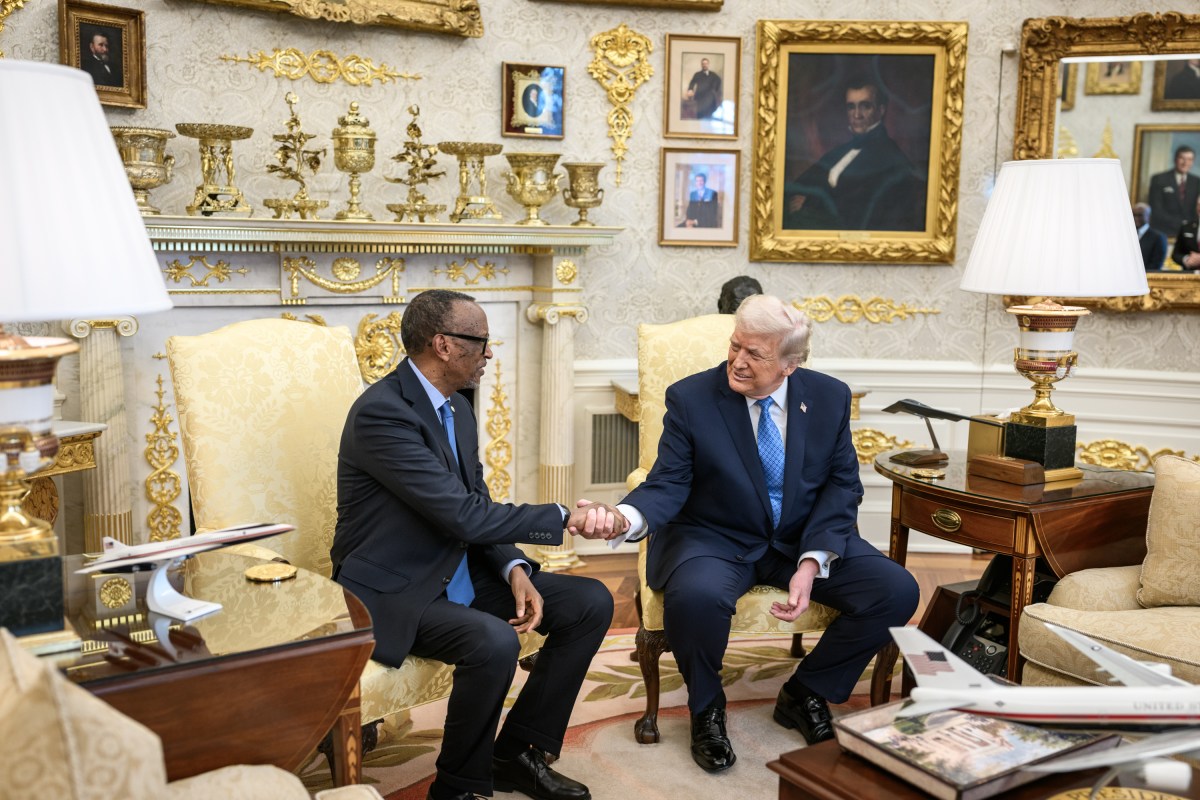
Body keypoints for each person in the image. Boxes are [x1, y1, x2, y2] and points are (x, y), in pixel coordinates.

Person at [593, 294, 919, 773]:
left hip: (799, 539)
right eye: (735, 346)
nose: (737, 361)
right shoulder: (692, 398)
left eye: (755, 354)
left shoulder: (828, 397)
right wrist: (625, 518)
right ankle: (707, 709)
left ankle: (805, 692)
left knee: (895, 591)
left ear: (790, 364)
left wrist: (812, 561)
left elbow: (841, 487)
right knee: (697, 597)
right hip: (713, 537)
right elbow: (668, 483)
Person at [331, 288, 622, 800]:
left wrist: (513, 567)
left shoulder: (457, 408)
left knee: (589, 601)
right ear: (443, 345)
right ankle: (458, 786)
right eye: (480, 341)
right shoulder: (382, 415)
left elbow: (475, 501)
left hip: (457, 570)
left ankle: (516, 754)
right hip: (397, 587)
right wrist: (561, 517)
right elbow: (463, 514)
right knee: (493, 641)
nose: (489, 353)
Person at [783, 78, 926, 231]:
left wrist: (808, 204)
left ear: (881, 110)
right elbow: (798, 186)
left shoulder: (890, 156)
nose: (857, 115)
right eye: (851, 107)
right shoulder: (838, 153)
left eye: (865, 106)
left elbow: (860, 211)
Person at [1147, 145, 1200, 238]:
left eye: (1189, 159)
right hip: (1163, 233)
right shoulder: (1159, 179)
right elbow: (1156, 210)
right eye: (1182, 158)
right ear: (1175, 159)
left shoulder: (1197, 182)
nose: (1185, 163)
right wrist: (1182, 224)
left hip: (1190, 236)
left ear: (1193, 161)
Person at [1134, 203, 1167, 271]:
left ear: (1148, 216)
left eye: (1140, 215)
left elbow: (1156, 264)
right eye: (1134, 215)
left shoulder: (1158, 237)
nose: (1136, 218)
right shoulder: (1130, 235)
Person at [1172, 196, 1200, 269]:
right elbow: (1176, 254)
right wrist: (1187, 259)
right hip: (1189, 276)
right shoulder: (1186, 227)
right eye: (1198, 204)